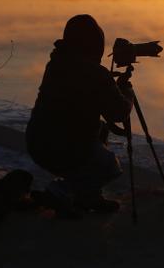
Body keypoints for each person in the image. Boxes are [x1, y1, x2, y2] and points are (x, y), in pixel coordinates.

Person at [25, 14, 133, 215]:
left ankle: (89, 197)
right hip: (62, 149)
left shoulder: (57, 63)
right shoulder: (94, 74)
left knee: (99, 131)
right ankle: (60, 191)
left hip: (37, 143)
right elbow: (119, 112)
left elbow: (79, 88)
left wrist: (105, 83)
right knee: (110, 166)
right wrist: (126, 93)